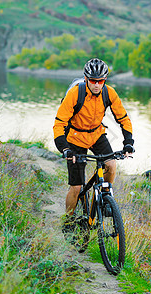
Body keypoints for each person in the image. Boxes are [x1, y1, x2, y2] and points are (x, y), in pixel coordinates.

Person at [53, 58, 134, 218]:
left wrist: (128, 143)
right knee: (76, 187)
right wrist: (65, 149)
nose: (97, 84)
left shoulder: (109, 92)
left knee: (111, 165)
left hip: (97, 134)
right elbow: (59, 123)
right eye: (93, 81)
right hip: (75, 138)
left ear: (105, 80)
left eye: (101, 81)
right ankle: (68, 221)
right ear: (86, 79)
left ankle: (104, 198)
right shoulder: (75, 93)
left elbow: (123, 118)